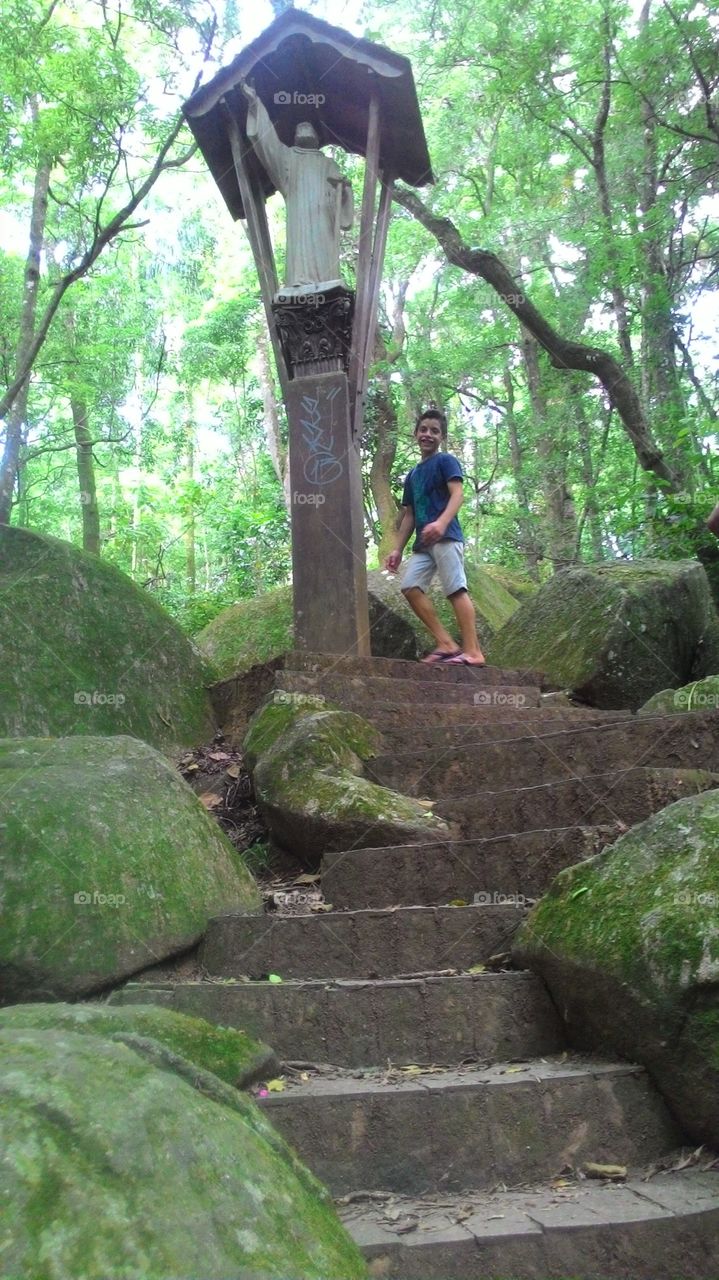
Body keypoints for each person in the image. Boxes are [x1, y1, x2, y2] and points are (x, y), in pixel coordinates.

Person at [384, 408, 486, 666]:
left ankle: (473, 651)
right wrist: (397, 549)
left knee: (455, 589)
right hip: (423, 544)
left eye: (435, 431)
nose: (428, 434)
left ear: (442, 437)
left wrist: (441, 523)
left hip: (447, 537)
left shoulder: (446, 461)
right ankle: (446, 643)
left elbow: (458, 494)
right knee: (410, 587)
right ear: (416, 433)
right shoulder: (413, 475)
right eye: (424, 429)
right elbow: (409, 515)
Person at [241, 81, 353, 297]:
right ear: (294, 138)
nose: (304, 128)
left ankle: (326, 281)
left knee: (326, 267)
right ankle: (300, 282)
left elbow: (343, 206)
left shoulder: (329, 164)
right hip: (299, 222)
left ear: (317, 138)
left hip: (323, 224)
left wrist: (344, 190)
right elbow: (267, 143)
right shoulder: (288, 160)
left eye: (308, 127)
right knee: (300, 267)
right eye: (299, 128)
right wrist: (255, 103)